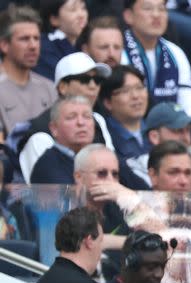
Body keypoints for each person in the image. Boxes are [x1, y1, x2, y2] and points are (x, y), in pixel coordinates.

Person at [18, 51, 112, 184]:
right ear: (62, 87)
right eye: (84, 80)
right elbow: (44, 192)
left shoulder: (98, 120)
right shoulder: (39, 135)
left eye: (97, 80)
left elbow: (113, 170)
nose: (93, 86)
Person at [121, 0, 191, 117]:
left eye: (161, 9)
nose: (156, 15)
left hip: (171, 129)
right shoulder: (118, 49)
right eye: (148, 8)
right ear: (129, 16)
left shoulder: (175, 52)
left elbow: (187, 103)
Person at [0, 4, 59, 139]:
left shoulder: (49, 88)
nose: (33, 46)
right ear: (4, 45)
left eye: (36, 38)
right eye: (24, 39)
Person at [30, 95, 95, 184]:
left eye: (87, 116)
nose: (81, 122)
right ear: (54, 128)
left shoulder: (102, 158)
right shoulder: (47, 166)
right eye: (71, 117)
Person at [99, 65, 150, 161]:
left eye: (139, 88)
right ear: (108, 102)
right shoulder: (104, 138)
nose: (135, 96)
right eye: (125, 91)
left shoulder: (156, 130)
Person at [34, 0, 88, 81]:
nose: (81, 15)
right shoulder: (44, 48)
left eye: (83, 8)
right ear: (54, 19)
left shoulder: (81, 46)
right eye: (73, 9)